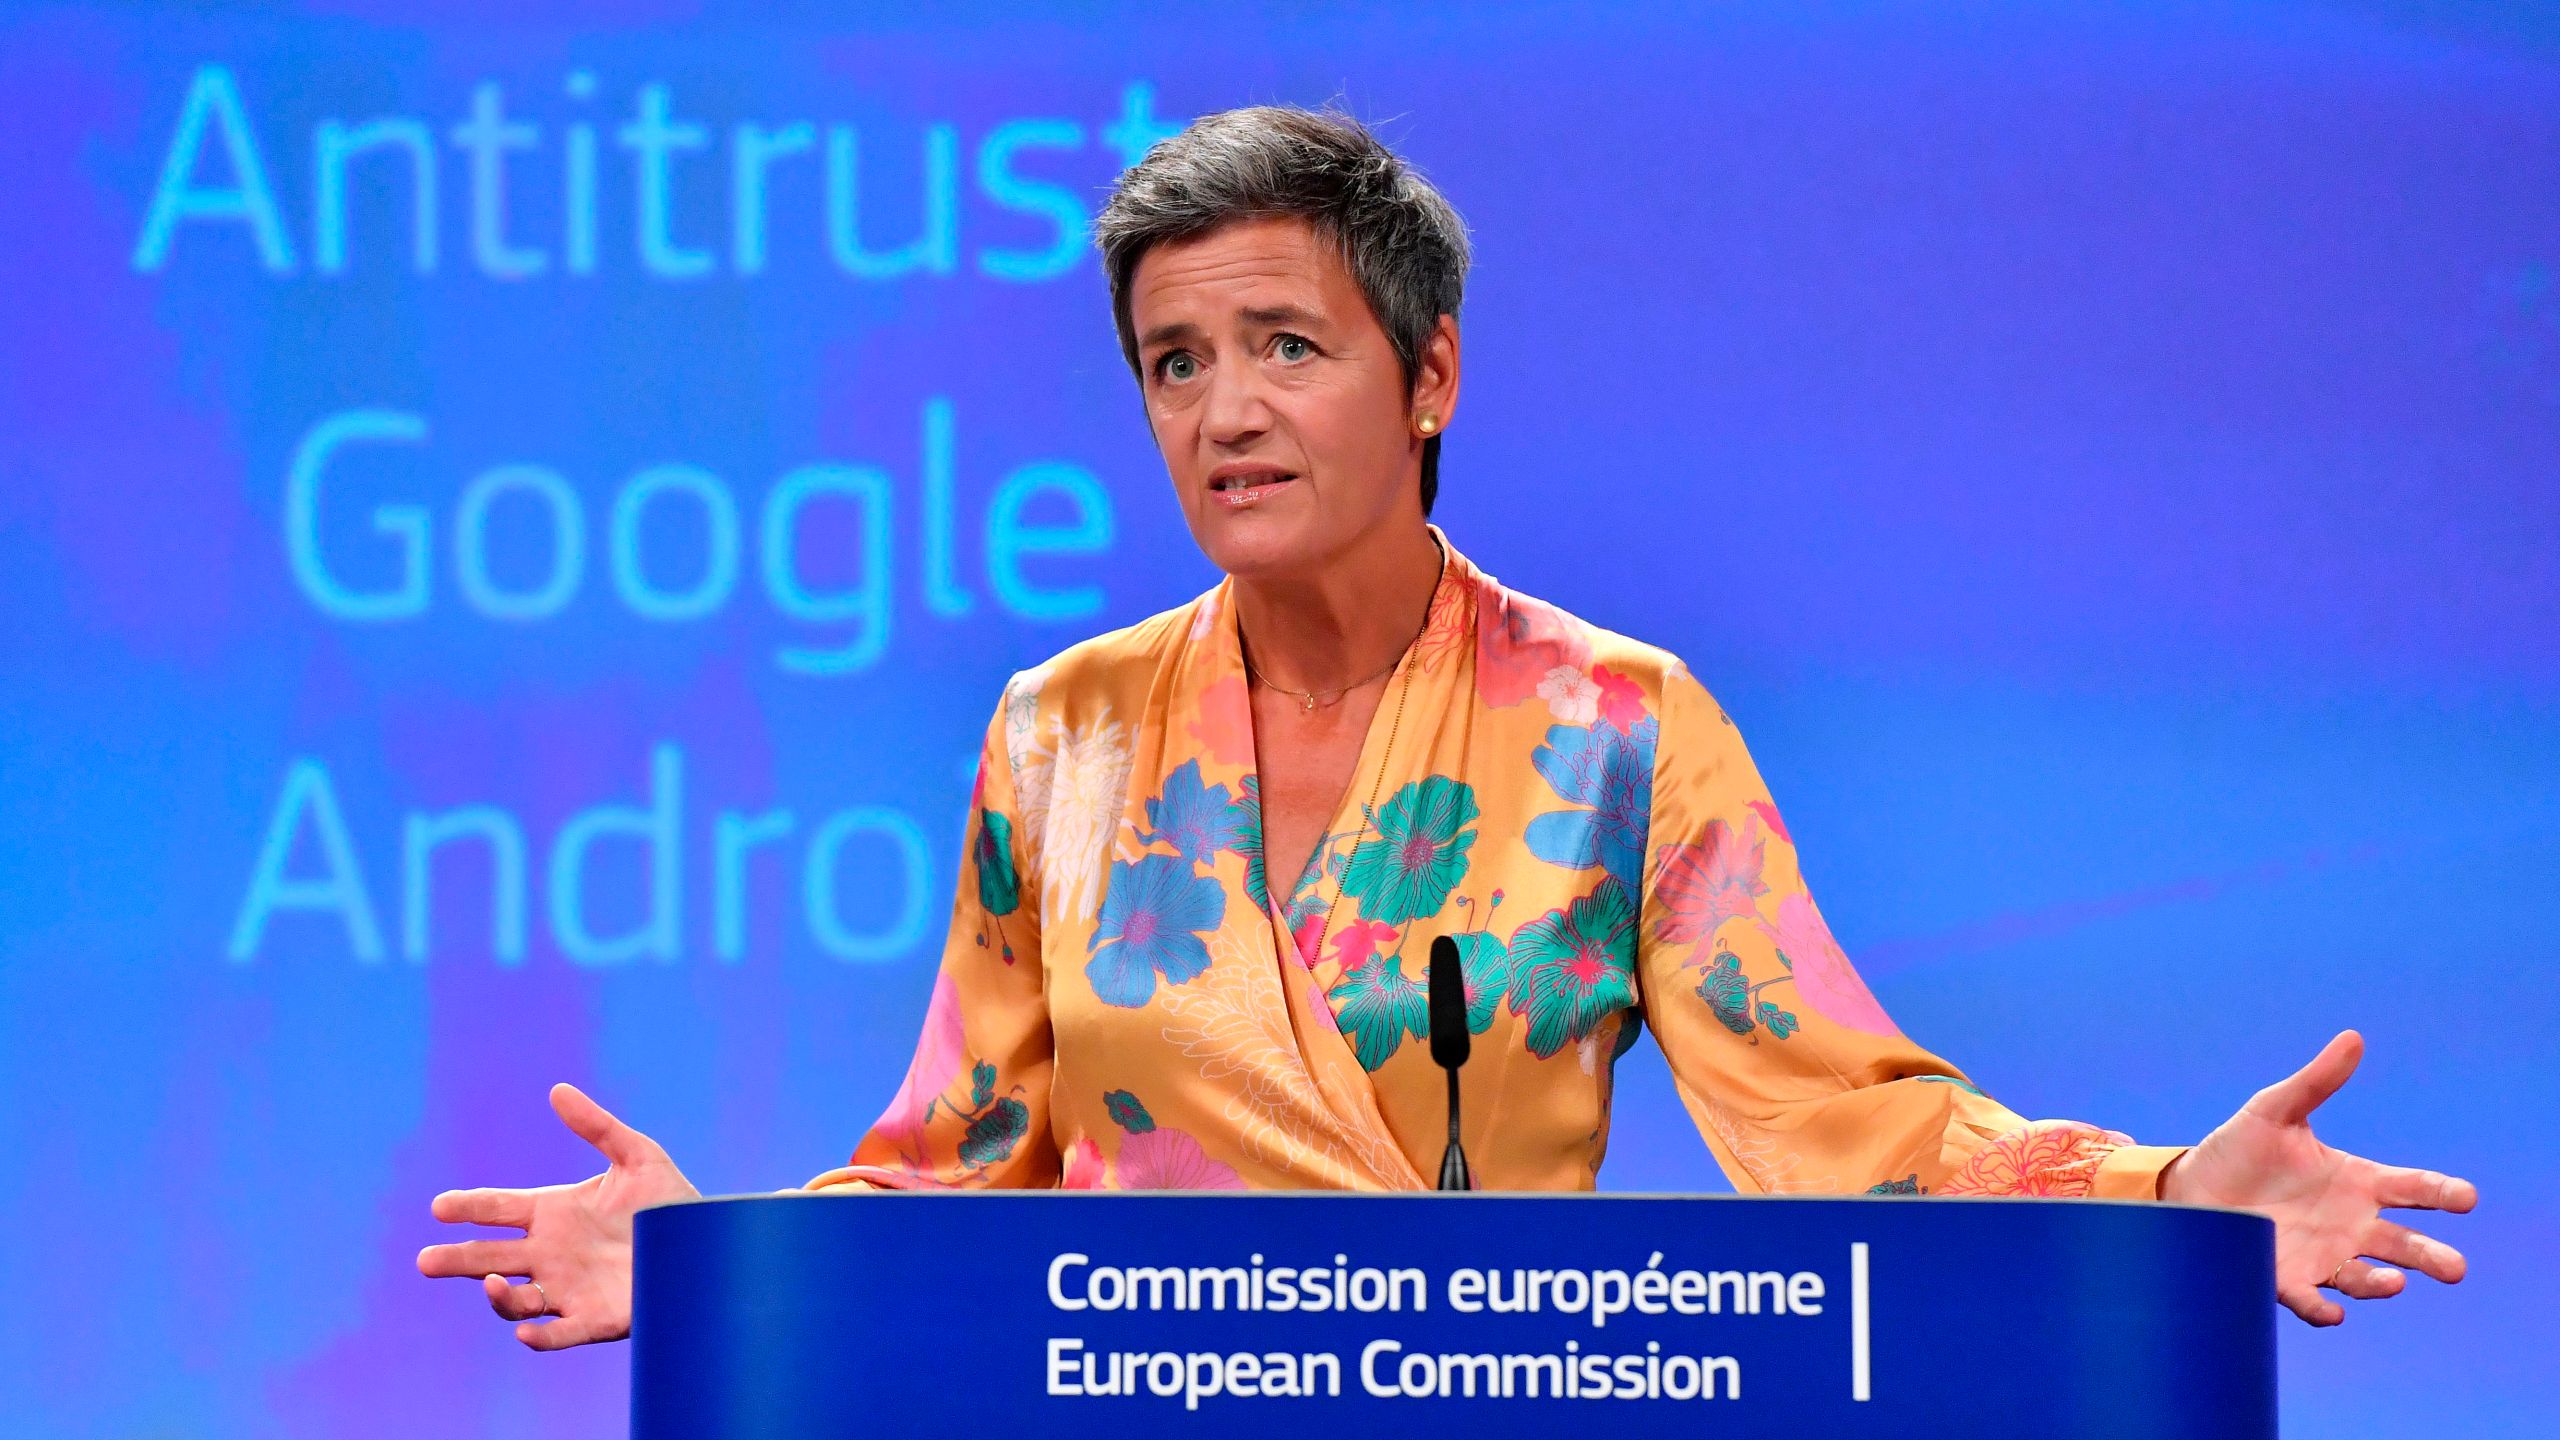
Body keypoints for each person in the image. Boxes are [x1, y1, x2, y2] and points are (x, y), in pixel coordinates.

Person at [420, 104, 2475, 1350]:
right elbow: (954, 1174)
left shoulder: (1612, 727)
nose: (1217, 412)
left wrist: (2157, 1195)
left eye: (1282, 347)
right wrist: (702, 1262)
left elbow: (1849, 1124)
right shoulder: (1057, 736)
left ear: (1426, 376)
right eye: (1168, 363)